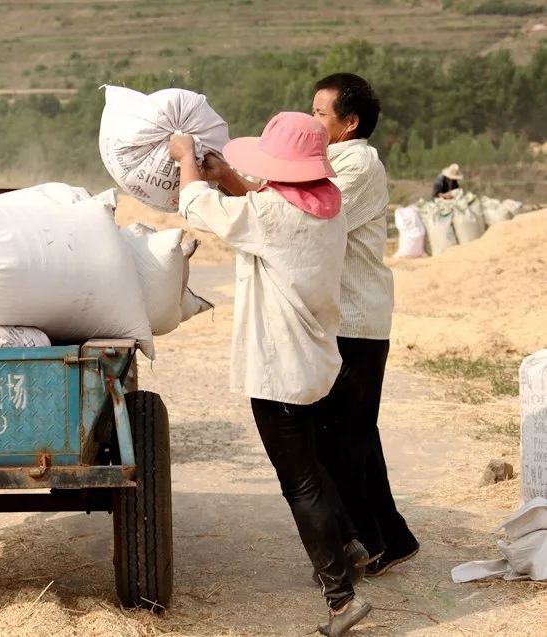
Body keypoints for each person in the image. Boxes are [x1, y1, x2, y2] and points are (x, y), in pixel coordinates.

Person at [169, 112, 371, 637]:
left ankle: (340, 599)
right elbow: (263, 205)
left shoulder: (272, 214)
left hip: (279, 368)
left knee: (298, 481)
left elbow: (198, 206)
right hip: (315, 360)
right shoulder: (329, 206)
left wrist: (187, 161)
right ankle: (348, 541)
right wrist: (227, 177)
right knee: (310, 461)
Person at [311, 73, 419, 577]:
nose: (312, 121)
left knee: (340, 437)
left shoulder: (356, 162)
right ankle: (393, 537)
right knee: (354, 432)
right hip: (347, 317)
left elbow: (314, 216)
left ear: (349, 124)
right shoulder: (331, 160)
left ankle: (367, 541)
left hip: (356, 319)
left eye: (320, 114)